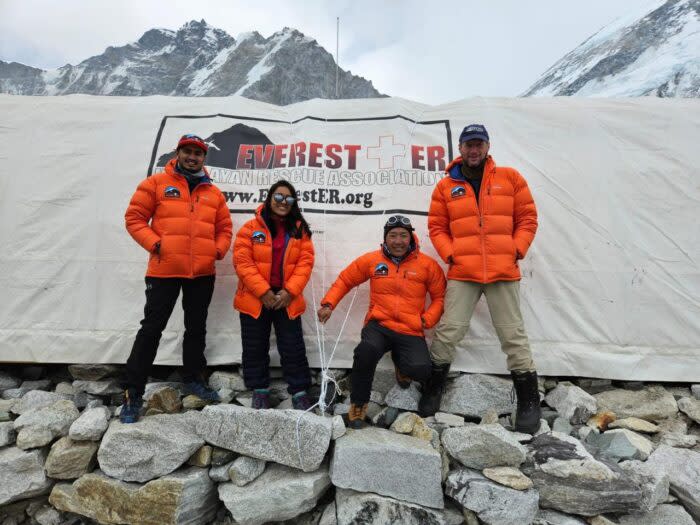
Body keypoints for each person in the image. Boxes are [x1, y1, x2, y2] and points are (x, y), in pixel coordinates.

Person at [418, 123, 541, 433]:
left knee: (513, 335)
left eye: (479, 144)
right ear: (459, 148)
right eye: (468, 144)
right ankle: (433, 388)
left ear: (487, 146)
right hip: (463, 271)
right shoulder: (446, 186)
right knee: (449, 331)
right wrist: (451, 254)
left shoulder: (510, 178)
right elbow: (437, 227)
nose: (474, 150)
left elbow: (528, 218)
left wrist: (516, 249)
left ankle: (528, 400)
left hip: (502, 271)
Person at [122, 134, 233, 423]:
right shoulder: (156, 184)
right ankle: (133, 393)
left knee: (196, 328)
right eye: (188, 151)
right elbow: (134, 219)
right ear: (178, 153)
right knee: (151, 329)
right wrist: (157, 245)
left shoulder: (213, 193)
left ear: (204, 158)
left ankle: (193, 379)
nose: (192, 157)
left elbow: (225, 228)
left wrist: (217, 250)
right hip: (164, 270)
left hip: (202, 273)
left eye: (198, 153)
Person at [318, 216, 445, 428]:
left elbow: (440, 297)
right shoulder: (372, 260)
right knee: (365, 352)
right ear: (385, 238)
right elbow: (345, 280)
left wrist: (426, 320)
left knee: (421, 370)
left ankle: (401, 364)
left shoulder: (427, 265)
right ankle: (358, 407)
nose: (398, 241)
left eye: (403, 235)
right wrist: (329, 304)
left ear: (411, 237)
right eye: (392, 235)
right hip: (379, 325)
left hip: (410, 328)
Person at [233, 180, 315, 410]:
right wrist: (263, 291)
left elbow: (305, 263)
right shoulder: (250, 229)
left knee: (293, 346)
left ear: (293, 203)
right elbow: (242, 262)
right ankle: (259, 390)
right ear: (269, 198)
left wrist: (289, 292)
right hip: (255, 298)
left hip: (287, 299)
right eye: (278, 197)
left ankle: (299, 391)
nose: (283, 202)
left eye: (288, 199)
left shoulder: (300, 231)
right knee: (254, 346)